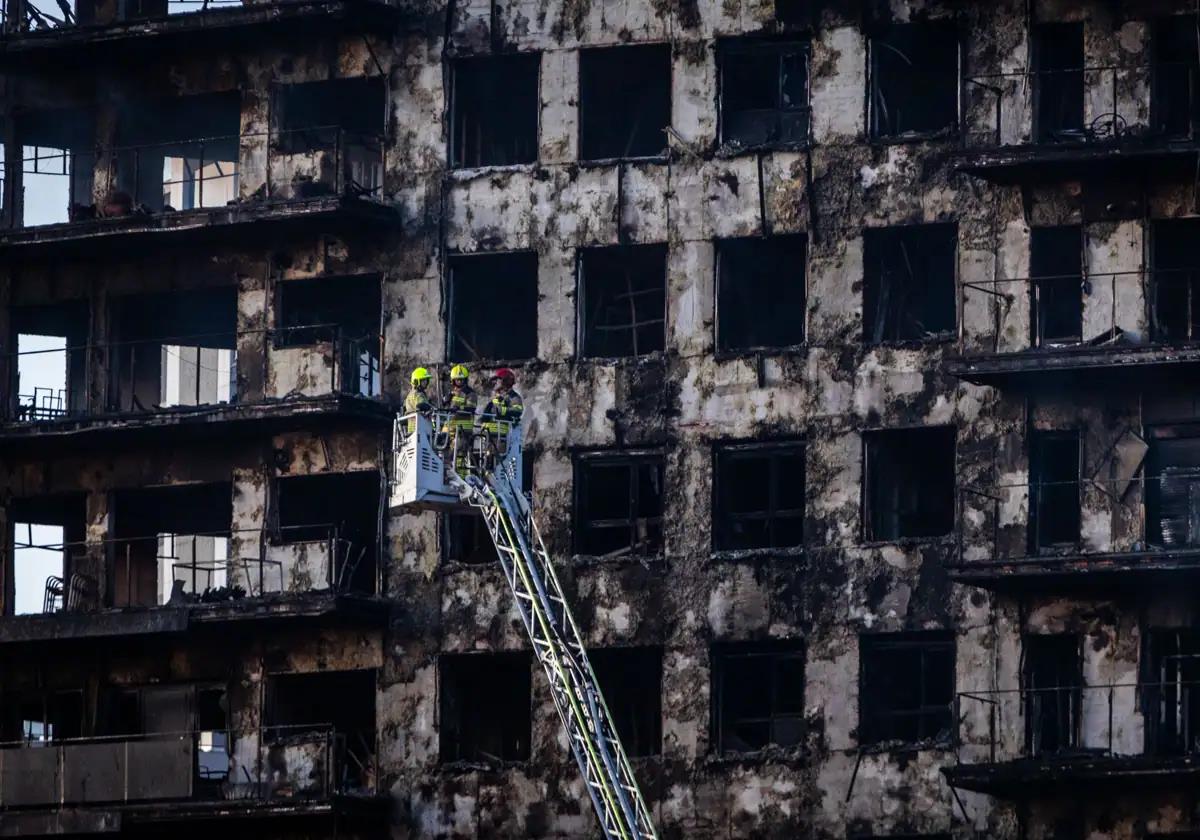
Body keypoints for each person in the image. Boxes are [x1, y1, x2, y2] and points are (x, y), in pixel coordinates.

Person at [443, 364, 477, 471]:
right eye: (457, 380)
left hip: (462, 429)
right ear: (453, 380)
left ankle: (460, 476)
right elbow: (446, 410)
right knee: (444, 454)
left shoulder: (470, 393)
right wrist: (445, 401)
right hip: (448, 429)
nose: (459, 382)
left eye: (461, 380)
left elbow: (471, 408)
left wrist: (458, 408)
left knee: (458, 455)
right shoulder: (451, 393)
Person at [480, 367, 524, 432]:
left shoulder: (514, 397)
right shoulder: (496, 395)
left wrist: (502, 410)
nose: (496, 382)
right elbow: (488, 411)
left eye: (498, 380)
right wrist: (484, 420)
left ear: (505, 381)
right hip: (489, 432)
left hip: (503, 433)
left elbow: (517, 411)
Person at [401, 367, 434, 435]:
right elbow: (421, 405)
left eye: (426, 380)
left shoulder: (409, 396)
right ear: (416, 382)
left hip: (413, 429)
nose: (425, 382)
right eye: (423, 380)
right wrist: (431, 408)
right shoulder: (418, 395)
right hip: (420, 428)